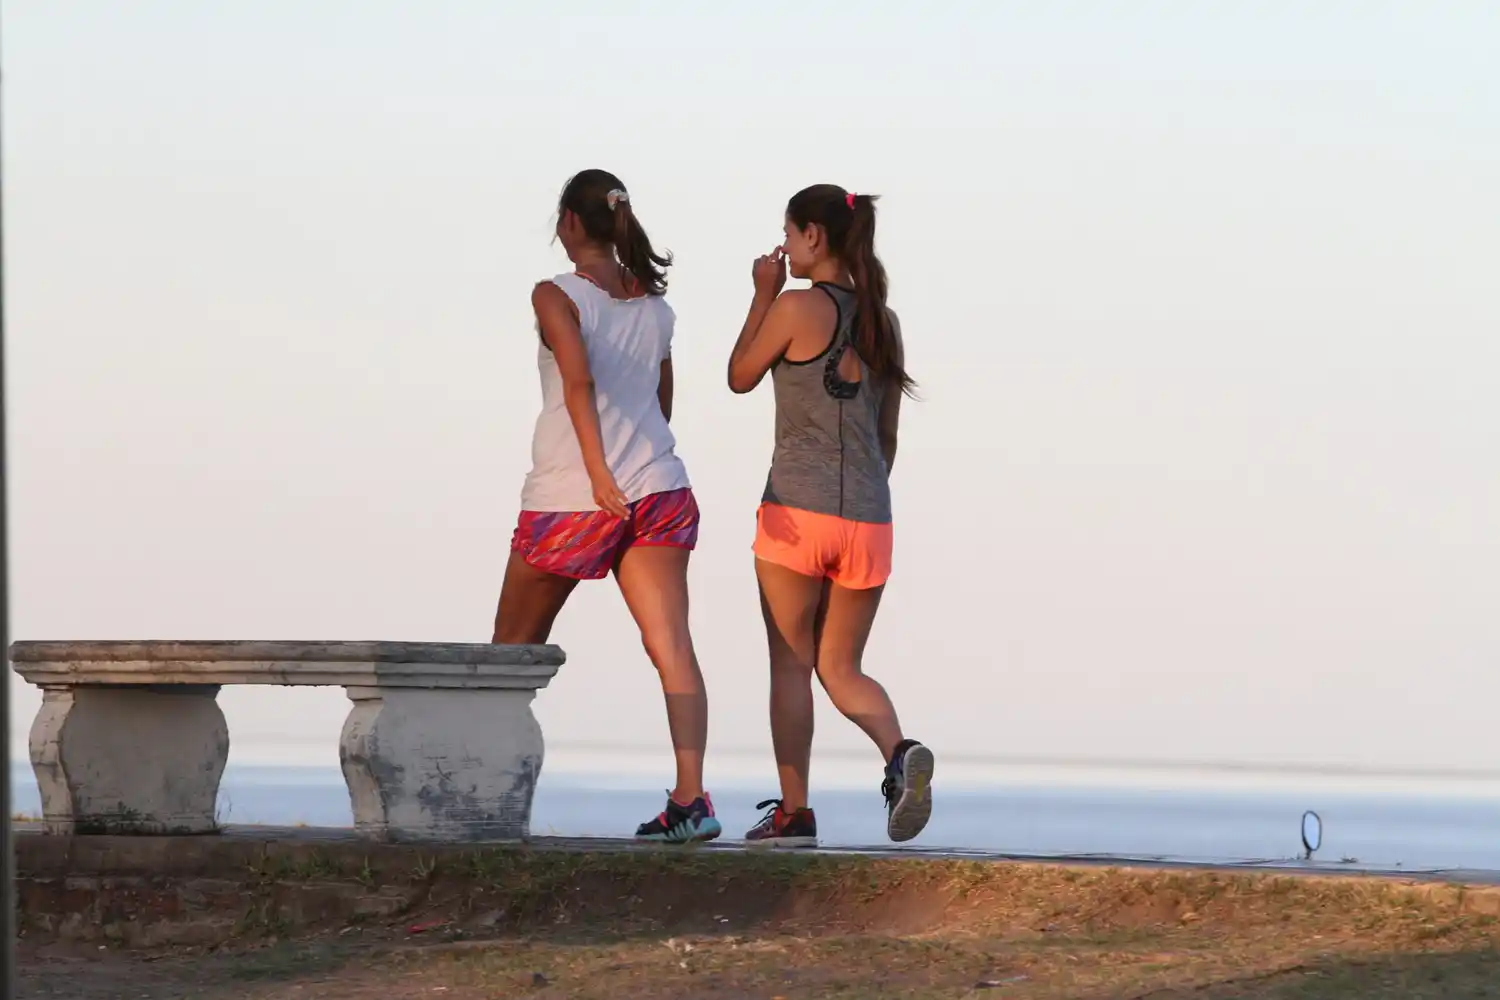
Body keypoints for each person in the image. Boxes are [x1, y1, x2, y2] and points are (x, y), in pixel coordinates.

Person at [492, 169, 719, 844]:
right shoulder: (655, 306)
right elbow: (660, 399)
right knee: (672, 646)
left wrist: (598, 472)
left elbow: (579, 380)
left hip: (572, 497)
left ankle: (487, 804)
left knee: (507, 658)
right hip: (658, 487)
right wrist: (636, 465)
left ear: (569, 222)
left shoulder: (553, 295)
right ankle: (690, 800)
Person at [727, 184, 934, 847]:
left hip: (795, 513)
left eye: (788, 236)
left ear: (814, 236)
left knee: (792, 666)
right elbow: (889, 434)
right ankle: (899, 753)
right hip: (869, 518)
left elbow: (738, 375)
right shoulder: (885, 323)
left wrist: (762, 292)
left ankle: (793, 814)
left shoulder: (793, 307)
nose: (783, 249)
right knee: (842, 668)